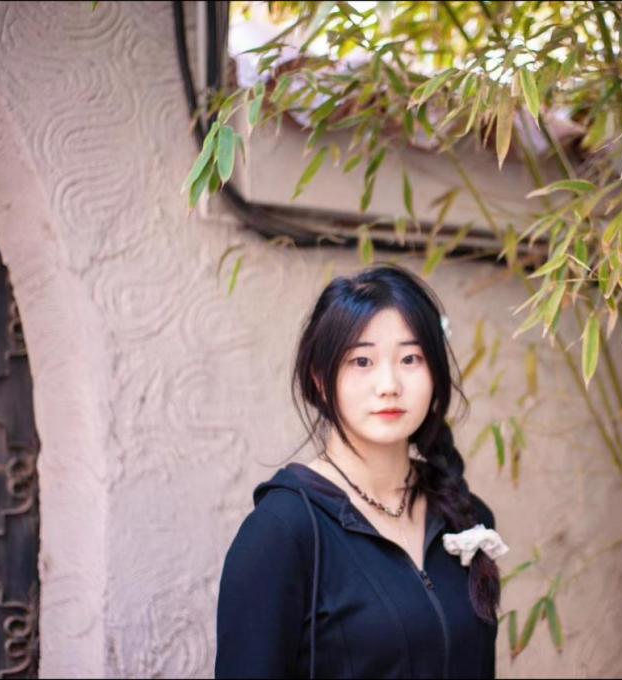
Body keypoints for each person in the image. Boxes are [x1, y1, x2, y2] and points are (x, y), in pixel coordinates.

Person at [215, 263, 505, 678]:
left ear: (436, 373)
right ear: (320, 378)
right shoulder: (282, 531)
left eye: (410, 358)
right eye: (362, 361)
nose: (389, 385)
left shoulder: (466, 518)